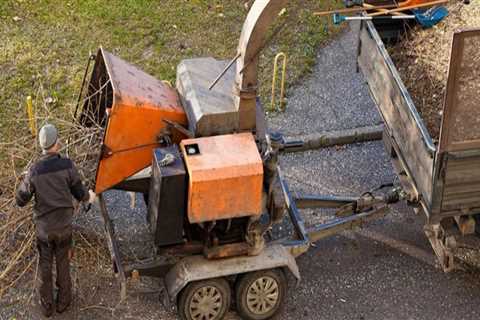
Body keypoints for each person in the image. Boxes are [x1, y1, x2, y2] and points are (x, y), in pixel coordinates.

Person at [16, 124, 96, 317]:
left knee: (45, 268)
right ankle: (64, 302)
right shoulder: (67, 165)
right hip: (63, 228)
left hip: (44, 231)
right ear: (56, 143)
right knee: (62, 264)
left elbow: (20, 200)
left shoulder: (35, 171)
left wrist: (26, 179)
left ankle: (47, 306)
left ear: (42, 146)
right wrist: (89, 196)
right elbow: (80, 192)